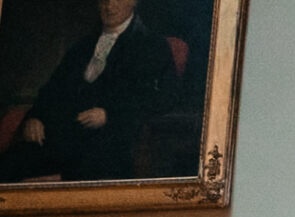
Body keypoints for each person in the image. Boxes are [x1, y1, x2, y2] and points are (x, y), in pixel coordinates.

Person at [0, 0, 175, 184]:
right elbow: (53, 88)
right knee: (10, 165)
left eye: (117, 0)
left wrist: (110, 114)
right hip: (63, 136)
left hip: (109, 141)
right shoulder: (83, 46)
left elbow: (163, 97)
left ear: (133, 2)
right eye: (104, 1)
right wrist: (36, 117)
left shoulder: (152, 45)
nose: (109, 6)